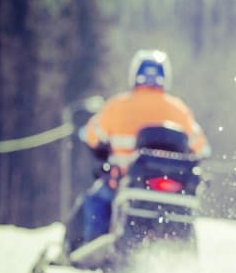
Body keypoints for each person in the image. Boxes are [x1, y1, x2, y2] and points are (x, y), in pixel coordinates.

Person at [66, 49, 211, 252]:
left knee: (95, 200)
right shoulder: (179, 110)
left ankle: (92, 251)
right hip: (173, 188)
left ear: (134, 75)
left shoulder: (117, 106)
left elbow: (91, 136)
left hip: (126, 183)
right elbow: (202, 148)